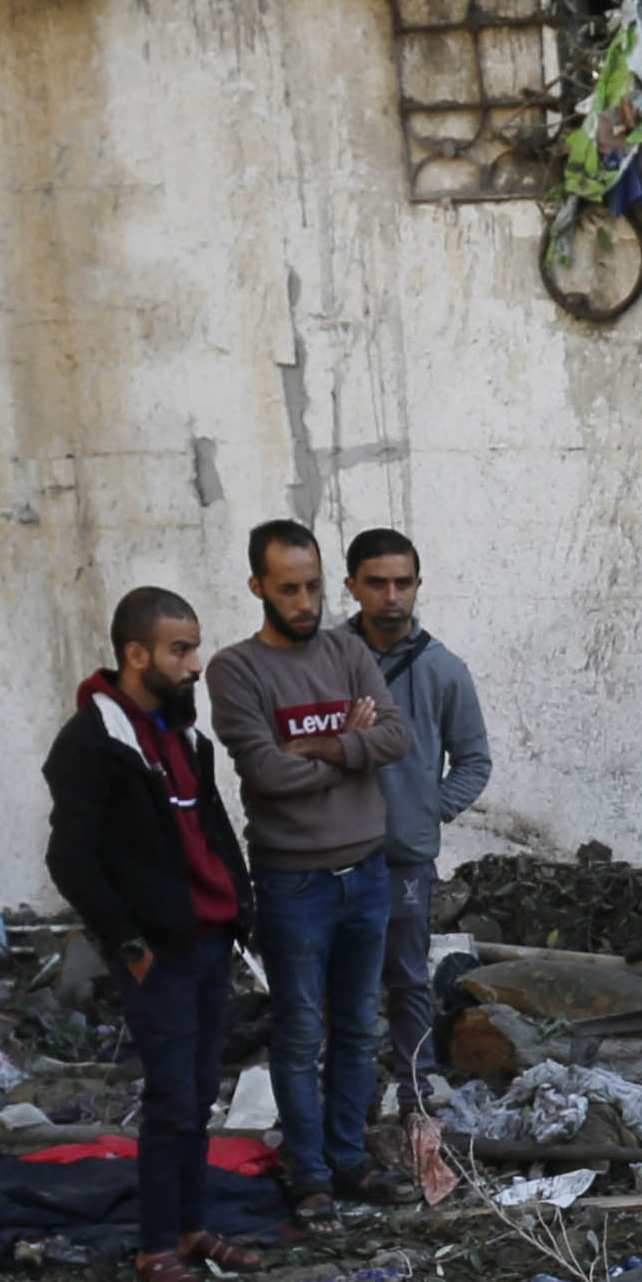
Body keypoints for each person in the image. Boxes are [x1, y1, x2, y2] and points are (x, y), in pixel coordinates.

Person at [41, 584, 254, 1282]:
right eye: (179, 650)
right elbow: (70, 859)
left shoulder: (184, 735)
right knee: (170, 1098)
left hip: (209, 939)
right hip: (158, 953)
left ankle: (191, 1227)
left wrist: (241, 906)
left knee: (199, 1093)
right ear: (136, 655)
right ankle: (157, 1245)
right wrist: (126, 942)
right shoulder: (91, 743)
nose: (195, 664)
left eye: (195, 647)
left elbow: (211, 830)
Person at [209, 517, 412, 1220]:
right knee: (298, 1034)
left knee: (357, 1027)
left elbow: (396, 736)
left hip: (366, 871)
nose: (305, 602)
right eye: (288, 589)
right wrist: (349, 745)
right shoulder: (236, 669)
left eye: (314, 587)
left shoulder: (349, 651)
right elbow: (264, 773)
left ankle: (348, 1160)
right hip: (293, 881)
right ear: (258, 587)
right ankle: (310, 1173)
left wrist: (318, 748)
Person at [345, 527, 492, 1109]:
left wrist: (430, 810)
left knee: (407, 978)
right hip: (331, 855)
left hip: (403, 856)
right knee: (339, 982)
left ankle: (415, 1091)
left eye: (402, 583)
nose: (391, 596)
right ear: (352, 585)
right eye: (377, 583)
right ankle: (347, 1096)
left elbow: (474, 761)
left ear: (418, 585)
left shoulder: (443, 669)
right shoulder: (325, 661)